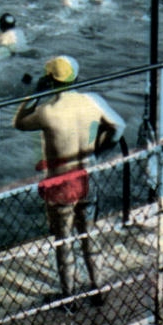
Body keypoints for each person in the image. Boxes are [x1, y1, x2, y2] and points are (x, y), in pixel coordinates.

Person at [13, 55, 125, 303]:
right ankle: (97, 289)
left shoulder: (47, 111)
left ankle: (68, 297)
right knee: (87, 235)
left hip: (60, 183)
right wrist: (98, 149)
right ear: (76, 77)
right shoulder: (92, 101)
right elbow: (119, 126)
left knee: (64, 242)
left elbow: (18, 123)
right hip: (86, 174)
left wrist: (33, 94)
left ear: (50, 81)